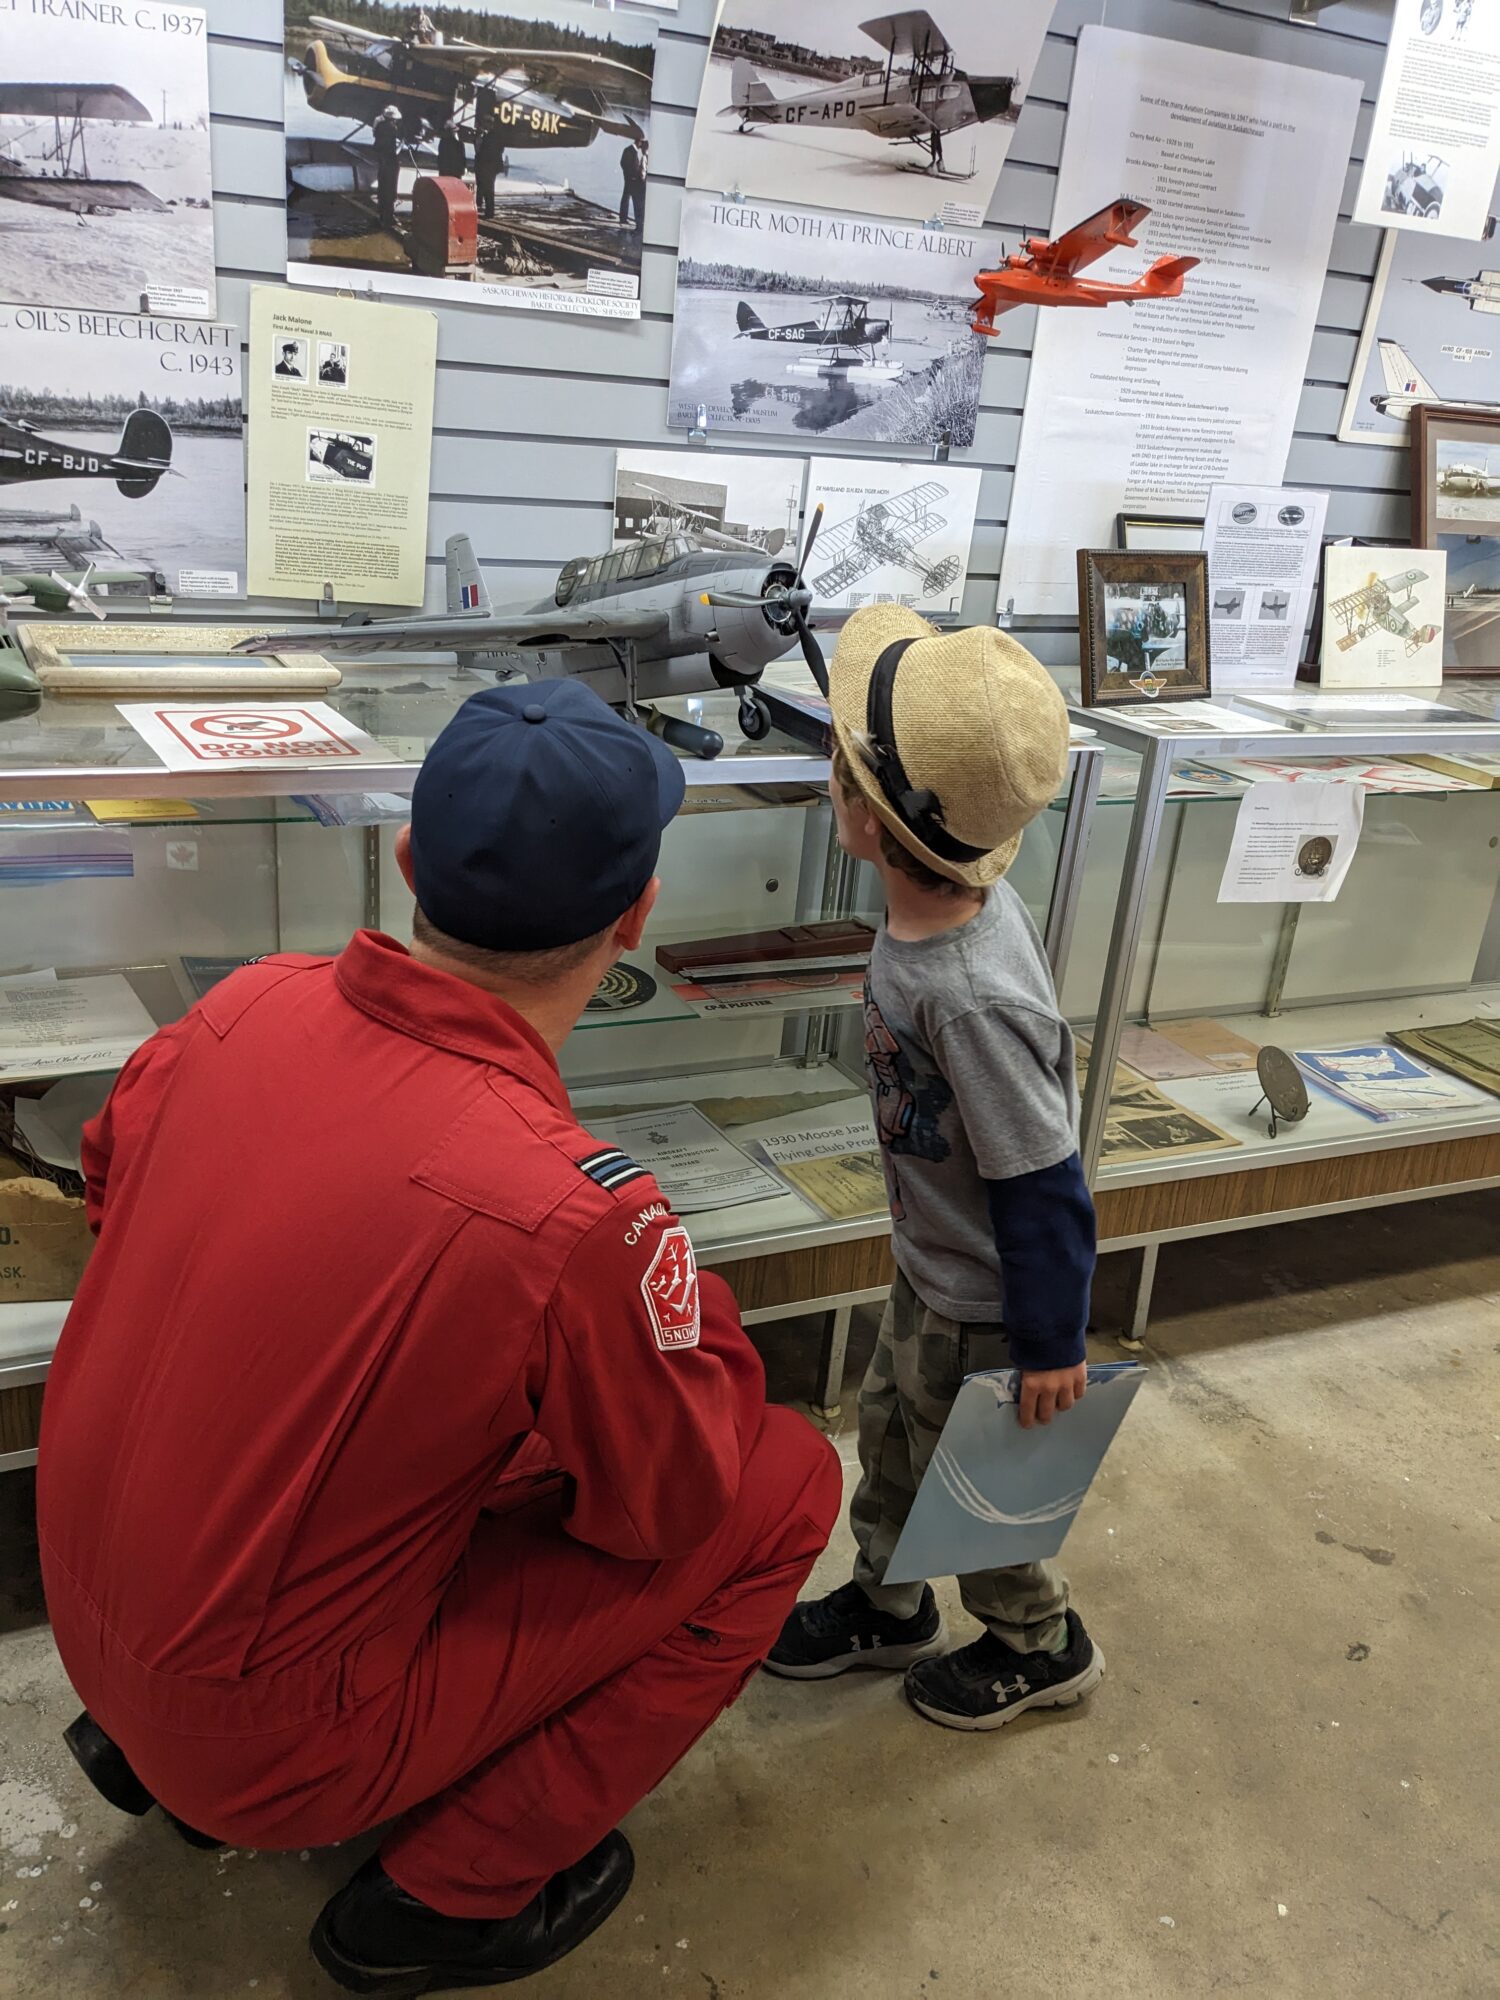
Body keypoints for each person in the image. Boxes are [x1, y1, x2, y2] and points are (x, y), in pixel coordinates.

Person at [36, 681, 841, 1995]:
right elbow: (667, 1506)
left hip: (94, 1621)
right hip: (265, 1739)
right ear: (637, 913)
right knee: (783, 1484)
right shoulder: (570, 1210)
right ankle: (447, 1897)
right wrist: (678, 1315)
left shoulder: (239, 1010)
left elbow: (114, 1196)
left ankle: (165, 1748)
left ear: (407, 862)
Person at [766, 606, 1103, 1732]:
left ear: (865, 815)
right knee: (893, 1440)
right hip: (929, 1263)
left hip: (992, 1307)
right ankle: (889, 1599)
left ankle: (1036, 1640)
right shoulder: (933, 910)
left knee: (983, 1491)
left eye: (843, 757)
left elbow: (1044, 1172)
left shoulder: (972, 991)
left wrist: (1053, 1342)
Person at [372, 103, 403, 231]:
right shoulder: (392, 128)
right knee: (390, 188)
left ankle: (381, 213)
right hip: (390, 161)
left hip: (382, 160)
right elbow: (391, 147)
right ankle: (389, 217)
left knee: (382, 185)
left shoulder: (379, 125)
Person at [475, 102, 506, 220]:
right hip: (488, 166)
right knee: (486, 188)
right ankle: (486, 209)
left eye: (486, 123)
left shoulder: (490, 137)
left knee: (488, 189)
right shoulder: (492, 136)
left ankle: (489, 212)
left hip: (488, 167)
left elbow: (483, 151)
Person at [619, 135, 647, 232]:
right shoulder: (629, 151)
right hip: (631, 179)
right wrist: (630, 175)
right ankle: (624, 218)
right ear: (638, 142)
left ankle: (623, 218)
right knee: (628, 198)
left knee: (626, 197)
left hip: (631, 179)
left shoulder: (634, 152)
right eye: (642, 143)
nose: (642, 145)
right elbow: (623, 163)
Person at [437, 115, 466, 182]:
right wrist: (461, 171)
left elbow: (440, 159)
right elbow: (463, 160)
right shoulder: (459, 144)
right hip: (456, 175)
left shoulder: (442, 143)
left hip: (444, 174)